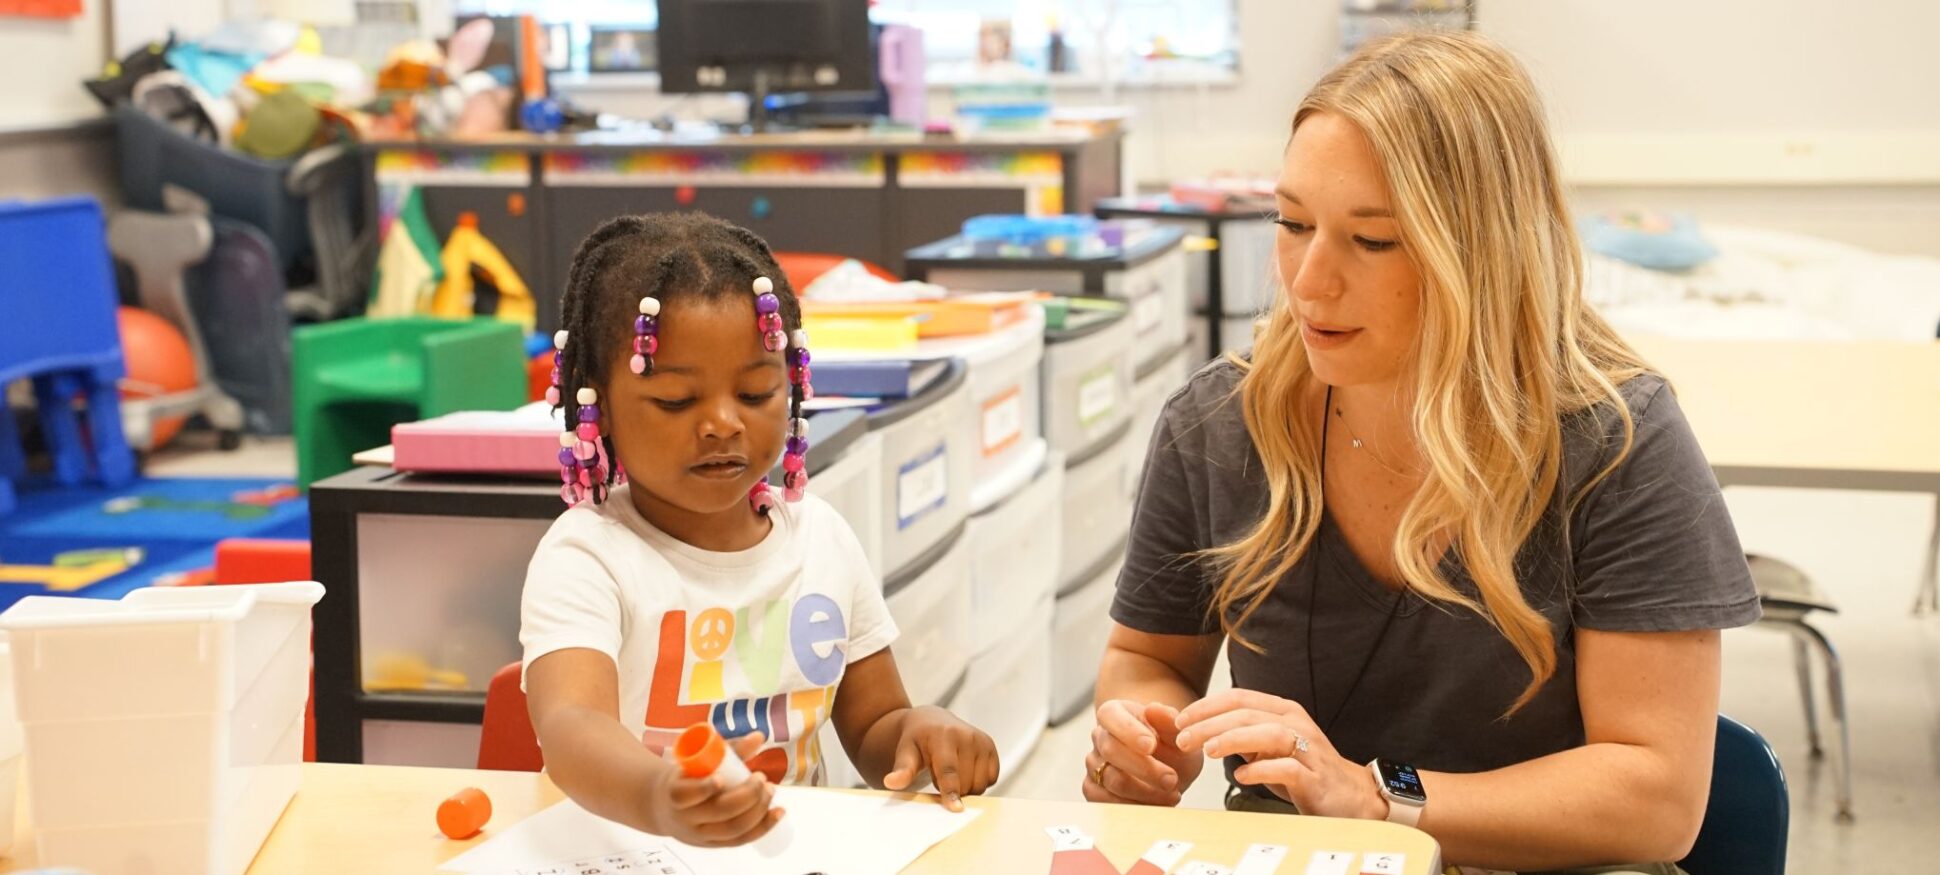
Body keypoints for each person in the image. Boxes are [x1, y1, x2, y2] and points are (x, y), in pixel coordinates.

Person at [1085, 32, 1760, 875]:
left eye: (1372, 240)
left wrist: (1378, 800)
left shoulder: (1616, 440)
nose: (1308, 281)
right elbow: (1149, 658)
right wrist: (1144, 733)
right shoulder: (1219, 422)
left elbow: (1655, 799)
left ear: (1481, 249)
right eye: (1293, 223)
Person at [521, 212, 998, 847]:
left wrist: (921, 735)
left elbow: (875, 727)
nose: (723, 423)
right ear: (598, 406)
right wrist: (659, 797)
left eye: (754, 394)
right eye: (676, 401)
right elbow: (571, 726)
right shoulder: (587, 556)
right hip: (631, 853)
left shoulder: (820, 538)